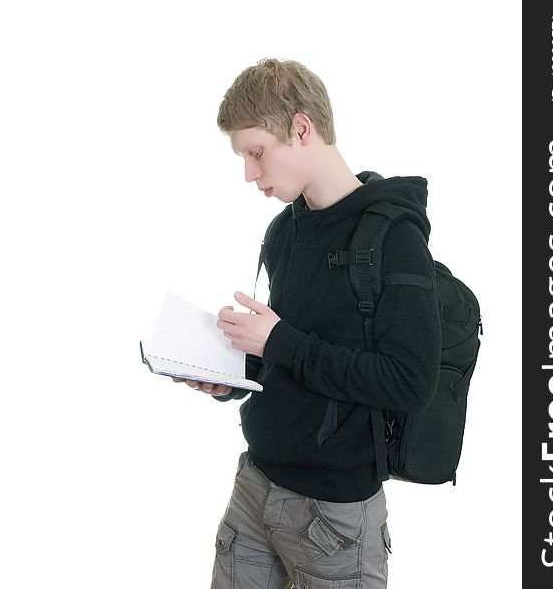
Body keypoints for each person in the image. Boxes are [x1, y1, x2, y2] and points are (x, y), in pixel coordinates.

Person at [174, 58, 441, 588]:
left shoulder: (394, 240)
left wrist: (278, 340)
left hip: (335, 518)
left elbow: (409, 383)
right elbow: (290, 353)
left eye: (256, 153)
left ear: (301, 128)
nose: (250, 174)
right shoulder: (284, 232)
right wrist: (229, 372)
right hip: (253, 490)